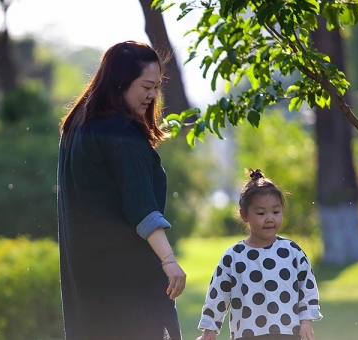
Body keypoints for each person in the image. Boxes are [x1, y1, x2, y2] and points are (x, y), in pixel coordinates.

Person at [57, 41, 186, 340]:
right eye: (146, 86)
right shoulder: (120, 132)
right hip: (128, 283)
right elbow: (142, 208)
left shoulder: (77, 126)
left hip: (87, 279)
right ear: (120, 82)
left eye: (157, 86)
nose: (153, 95)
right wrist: (169, 261)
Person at [196, 169, 322, 340]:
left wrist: (306, 321)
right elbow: (217, 295)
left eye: (276, 212)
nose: (270, 218)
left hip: (287, 334)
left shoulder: (292, 251)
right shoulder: (234, 256)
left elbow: (307, 288)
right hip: (248, 335)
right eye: (261, 213)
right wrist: (209, 330)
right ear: (244, 215)